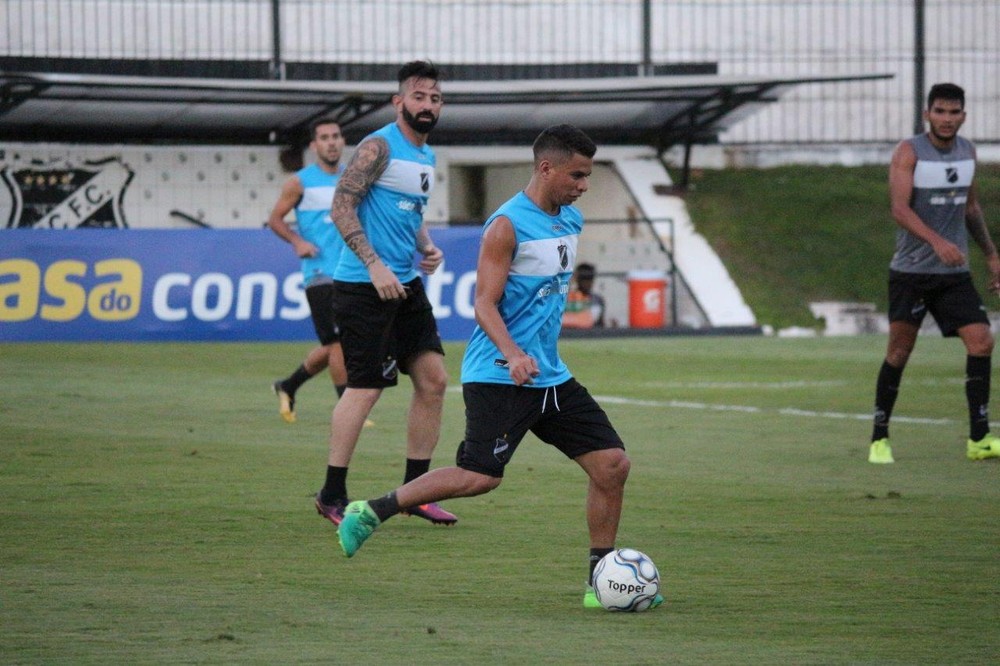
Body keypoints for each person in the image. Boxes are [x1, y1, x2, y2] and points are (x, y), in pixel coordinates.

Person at [336, 124, 661, 610]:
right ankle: (372, 509)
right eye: (577, 175)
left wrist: (535, 354)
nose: (583, 185)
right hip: (498, 372)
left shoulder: (570, 220)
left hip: (549, 375)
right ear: (546, 168)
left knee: (612, 465)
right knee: (479, 476)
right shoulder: (506, 225)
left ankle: (602, 583)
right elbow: (483, 304)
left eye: (588, 176)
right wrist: (513, 354)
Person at [315, 61, 457, 527]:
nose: (428, 105)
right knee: (366, 387)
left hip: (405, 285)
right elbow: (342, 205)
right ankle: (331, 494)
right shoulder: (378, 146)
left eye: (435, 98)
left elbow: (411, 212)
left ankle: (415, 492)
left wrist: (427, 246)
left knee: (433, 380)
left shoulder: (426, 156)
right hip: (362, 286)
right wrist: (373, 265)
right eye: (419, 97)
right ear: (399, 102)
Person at [868, 82, 1000, 464]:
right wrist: (936, 241)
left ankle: (979, 439)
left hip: (952, 275)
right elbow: (899, 209)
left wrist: (991, 255)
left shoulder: (968, 152)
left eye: (953, 112)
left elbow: (971, 208)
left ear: (963, 115)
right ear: (927, 114)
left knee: (982, 342)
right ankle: (880, 437)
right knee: (899, 351)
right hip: (912, 273)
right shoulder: (909, 152)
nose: (946, 119)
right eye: (939, 111)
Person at [268, 118, 354, 425]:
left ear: (342, 141)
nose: (331, 142)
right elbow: (275, 218)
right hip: (319, 273)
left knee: (337, 344)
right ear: (314, 146)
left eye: (336, 136)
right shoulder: (299, 182)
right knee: (338, 344)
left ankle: (288, 386)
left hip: (350, 273)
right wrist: (297, 241)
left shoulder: (353, 179)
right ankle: (348, 407)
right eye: (324, 138)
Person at [562, 262, 606, 329]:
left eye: (590, 279)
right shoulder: (568, 298)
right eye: (584, 279)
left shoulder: (597, 300)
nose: (587, 283)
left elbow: (596, 322)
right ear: (577, 279)